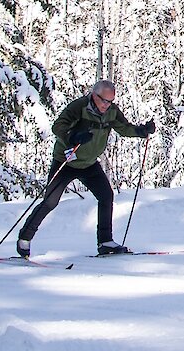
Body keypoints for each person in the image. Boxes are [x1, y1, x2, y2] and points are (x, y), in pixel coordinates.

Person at [17, 80, 155, 257]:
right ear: (94, 95)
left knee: (106, 196)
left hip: (89, 163)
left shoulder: (111, 111)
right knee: (50, 201)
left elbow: (124, 127)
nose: (107, 105)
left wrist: (142, 131)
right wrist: (73, 137)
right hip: (66, 162)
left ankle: (105, 242)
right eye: (104, 100)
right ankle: (24, 239)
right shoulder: (79, 107)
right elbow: (58, 126)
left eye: (110, 101)